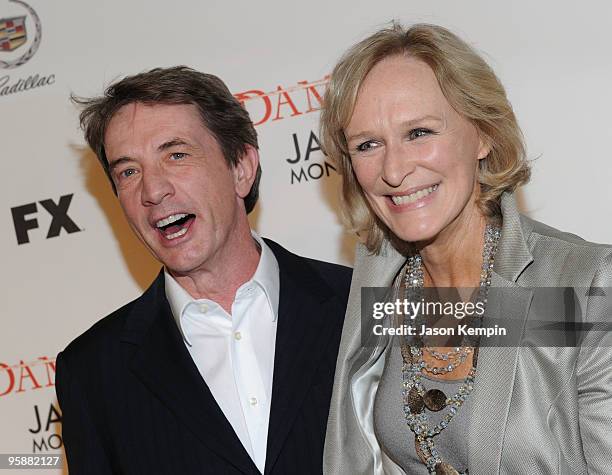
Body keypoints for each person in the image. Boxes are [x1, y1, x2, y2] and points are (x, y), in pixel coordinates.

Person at [320, 23, 612, 475]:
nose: (393, 170)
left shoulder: (581, 285)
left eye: (419, 132)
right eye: (368, 144)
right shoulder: (383, 288)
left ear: (483, 134)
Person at [55, 66, 351, 475]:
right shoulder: (92, 373)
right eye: (128, 171)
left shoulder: (361, 305)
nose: (152, 190)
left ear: (241, 168)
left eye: (176, 155)